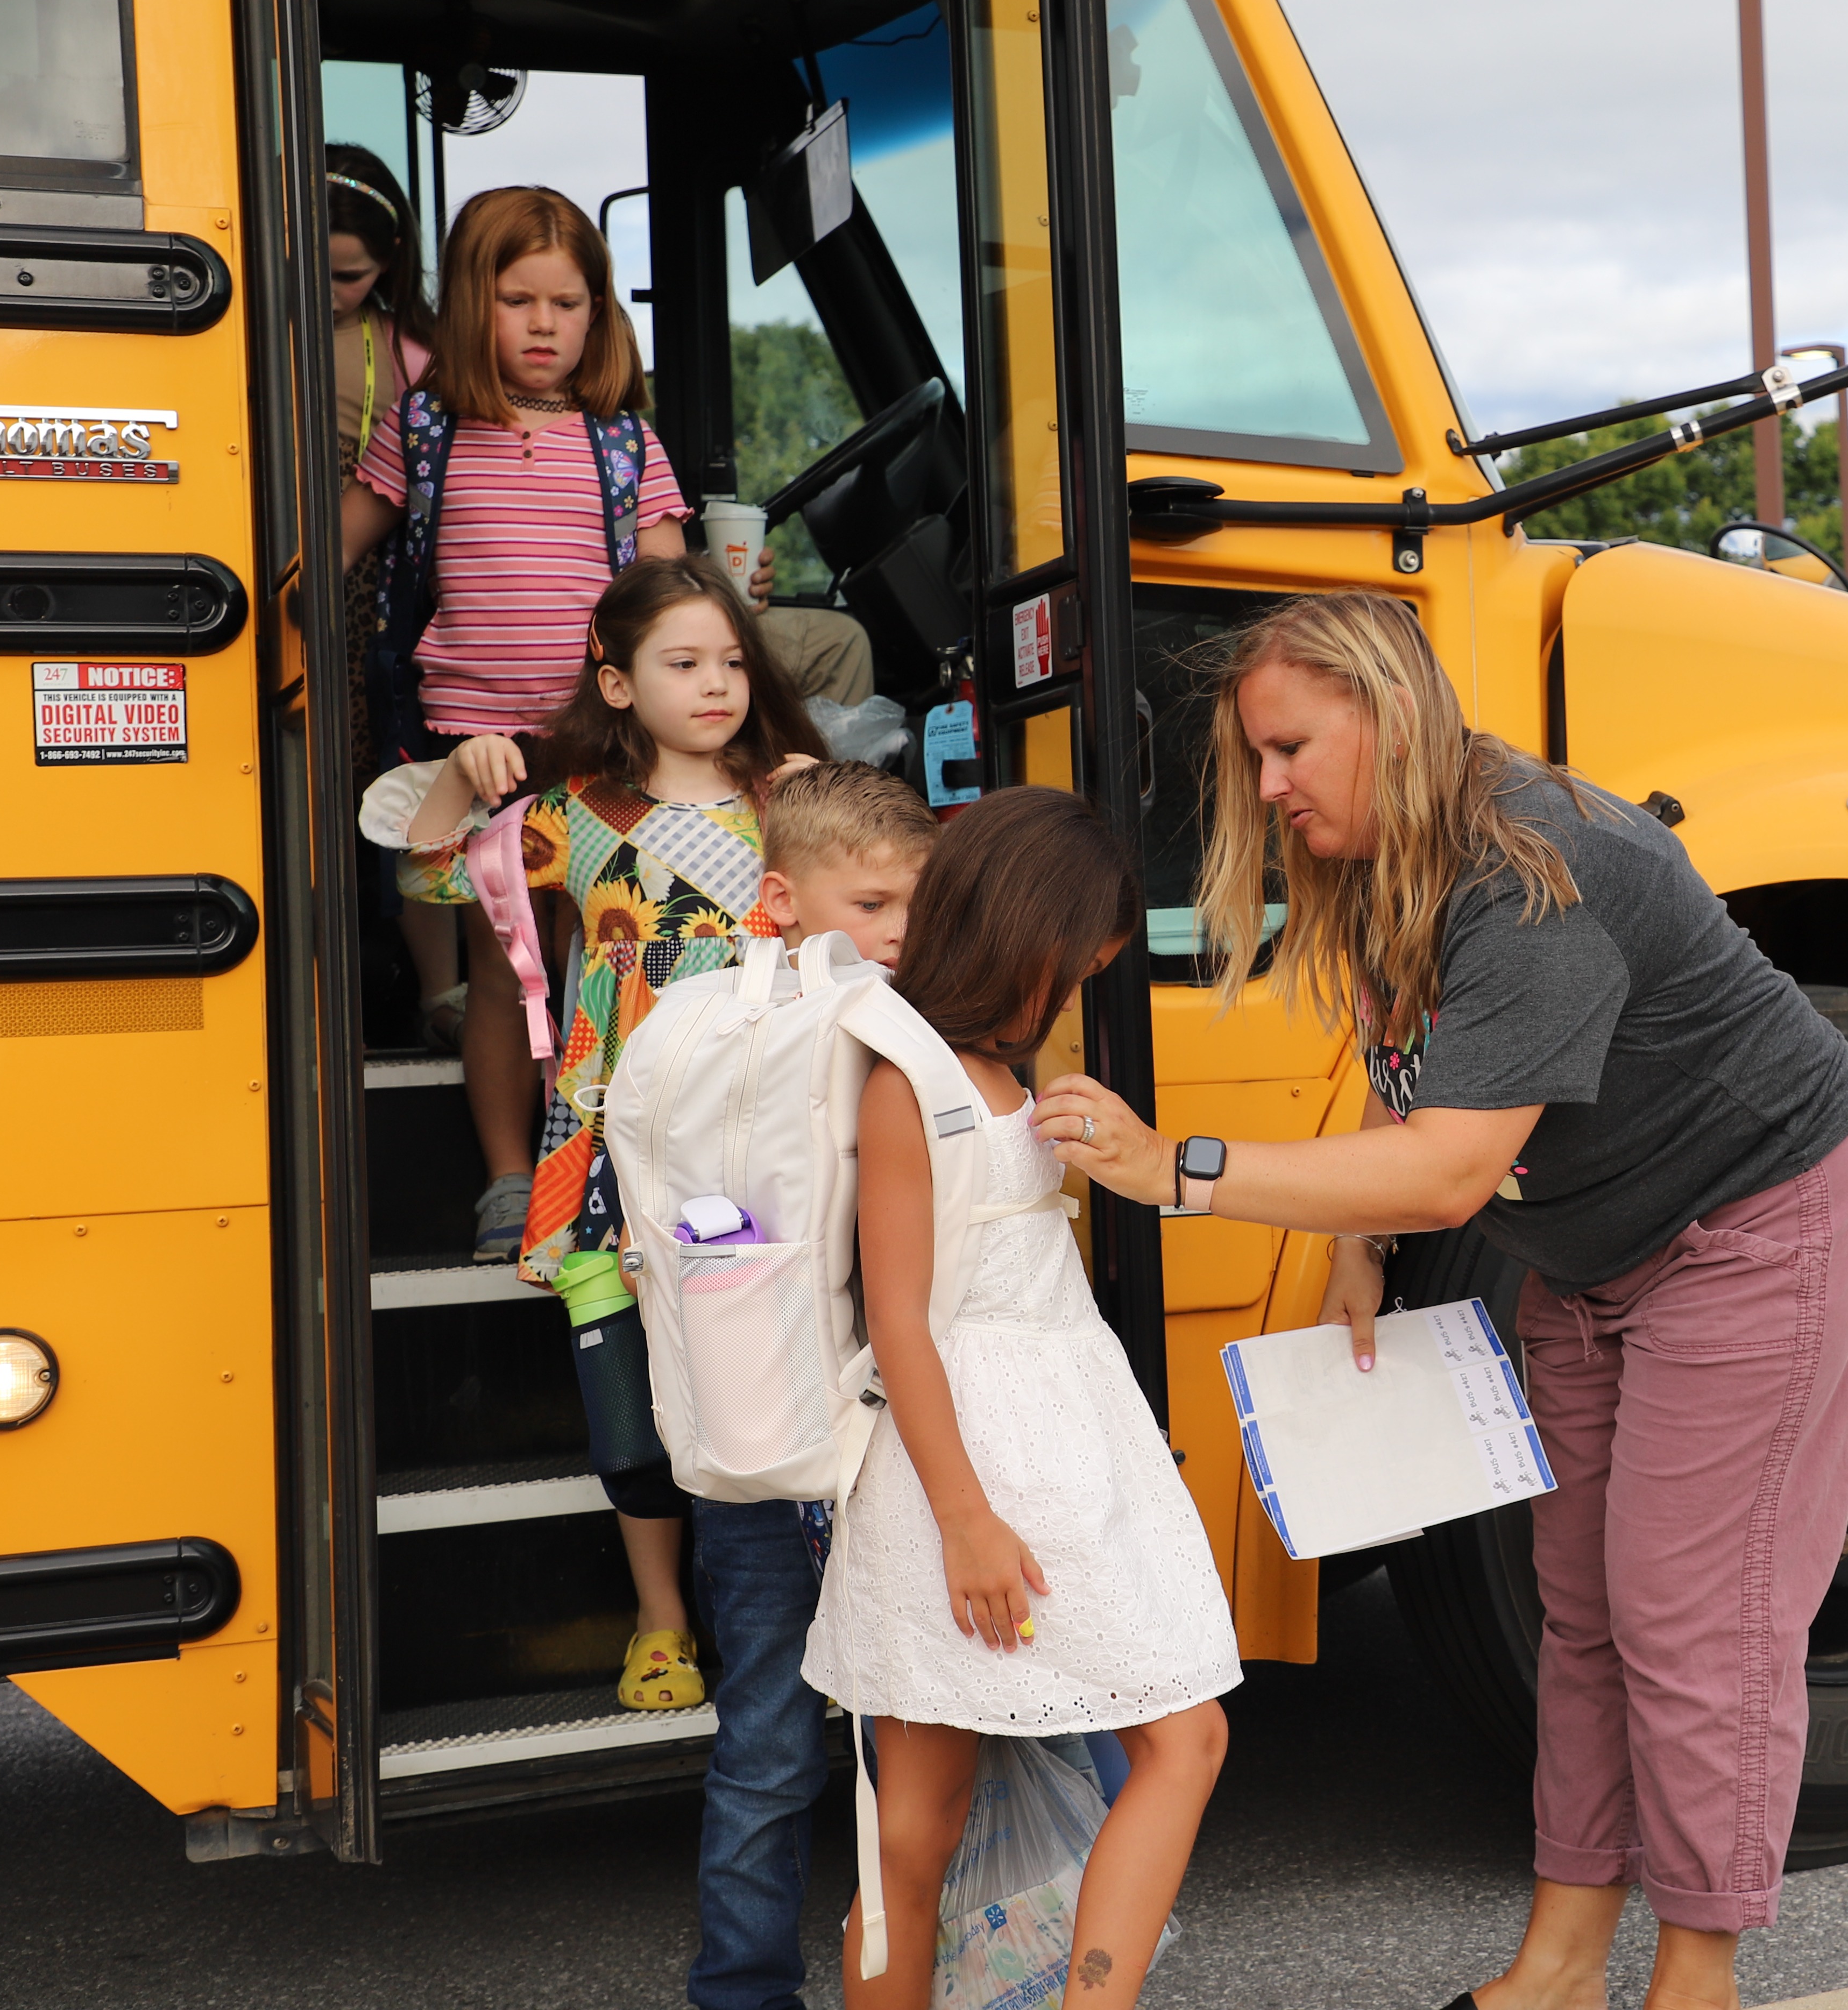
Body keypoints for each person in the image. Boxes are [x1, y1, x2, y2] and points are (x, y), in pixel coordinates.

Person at [1037, 591, 1848, 2010]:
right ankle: (1561, 1963)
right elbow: (1410, 1081)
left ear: (1382, 712)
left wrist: (1173, 1170)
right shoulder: (1390, 854)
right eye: (1255, 757)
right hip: (1596, 1248)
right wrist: (1355, 1242)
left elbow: (1445, 1171)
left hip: (1758, 1218)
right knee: (1585, 1614)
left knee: (1695, 1620)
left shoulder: (1535, 872)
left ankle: (1697, 1980)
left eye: (1291, 748)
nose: (1268, 787)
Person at [799, 785, 1238, 2010]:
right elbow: (902, 1319)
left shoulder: (978, 1064)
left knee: (916, 1837)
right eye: (1093, 940)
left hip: (1026, 1449)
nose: (1103, 962)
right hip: (993, 1467)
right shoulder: (918, 1078)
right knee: (1175, 1740)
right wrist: (969, 1517)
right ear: (1033, 929)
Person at [398, 557, 822, 1713]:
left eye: (732, 660)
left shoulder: (794, 801)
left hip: (758, 1141)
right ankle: (661, 1618)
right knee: (626, 1399)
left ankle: (815, 1614)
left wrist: (828, 797)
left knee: (773, 1375)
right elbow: (433, 876)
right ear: (618, 684)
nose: (718, 683)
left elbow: (889, 908)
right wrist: (453, 771)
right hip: (610, 1150)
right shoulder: (577, 813)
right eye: (684, 663)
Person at [345, 183, 700, 1265]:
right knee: (507, 968)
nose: (547, 325)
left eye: (570, 301)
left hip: (598, 743)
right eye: (518, 299)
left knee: (601, 954)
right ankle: (508, 1175)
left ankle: (589, 1161)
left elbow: (674, 592)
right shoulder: (426, 428)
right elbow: (342, 540)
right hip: (476, 745)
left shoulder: (625, 444)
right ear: (468, 304)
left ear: (601, 313)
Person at [689, 760, 939, 2010]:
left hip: (805, 1427)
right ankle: (741, 1987)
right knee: (776, 1739)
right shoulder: (741, 1029)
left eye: (916, 909)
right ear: (779, 899)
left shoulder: (728, 1028)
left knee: (872, 1731)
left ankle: (914, 1964)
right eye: (874, 904)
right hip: (787, 1440)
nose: (900, 935)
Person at [321, 143, 458, 1046]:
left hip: (383, 590)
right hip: (319, 569)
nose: (331, 291)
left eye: (352, 275)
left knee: (396, 779)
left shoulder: (414, 354)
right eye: (316, 269)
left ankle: (435, 989)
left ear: (391, 268)